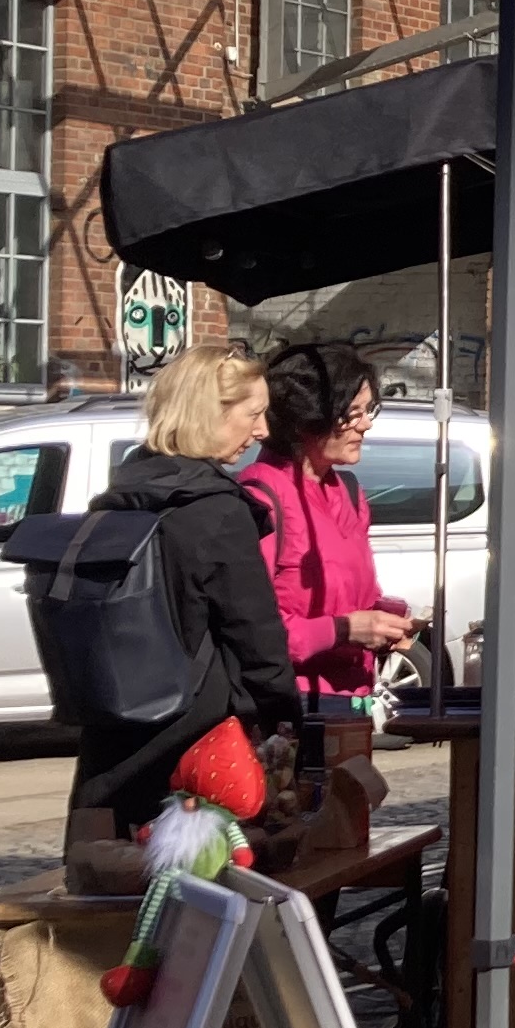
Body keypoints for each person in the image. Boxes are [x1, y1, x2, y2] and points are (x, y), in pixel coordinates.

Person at [70, 348, 302, 832]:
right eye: (253, 414)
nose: (262, 431)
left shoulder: (123, 494)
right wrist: (286, 720)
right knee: (208, 892)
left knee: (116, 882)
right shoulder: (215, 510)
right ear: (208, 412)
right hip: (198, 742)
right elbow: (257, 636)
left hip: (115, 735)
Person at [240, 342, 414, 704]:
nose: (365, 425)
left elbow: (355, 595)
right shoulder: (261, 496)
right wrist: (345, 630)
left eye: (368, 411)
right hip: (291, 706)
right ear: (309, 419)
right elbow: (252, 630)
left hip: (354, 699)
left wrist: (385, 620)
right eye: (352, 413)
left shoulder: (348, 492)